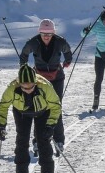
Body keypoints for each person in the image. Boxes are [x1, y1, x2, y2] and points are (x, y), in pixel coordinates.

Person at [0, 64, 61, 173]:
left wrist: (51, 125)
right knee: (22, 140)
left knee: (43, 140)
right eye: (24, 87)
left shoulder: (45, 86)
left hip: (43, 111)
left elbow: (56, 105)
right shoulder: (12, 88)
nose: (28, 90)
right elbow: (3, 105)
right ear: (19, 83)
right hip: (21, 113)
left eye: (31, 87)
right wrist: (1, 125)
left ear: (35, 82)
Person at [19, 19, 71, 157]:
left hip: (57, 78)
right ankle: (38, 140)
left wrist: (67, 61)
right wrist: (24, 67)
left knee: (56, 107)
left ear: (53, 33)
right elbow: (24, 54)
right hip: (39, 79)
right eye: (43, 33)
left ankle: (59, 140)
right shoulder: (33, 42)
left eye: (49, 34)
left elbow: (68, 52)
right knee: (39, 108)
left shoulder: (60, 41)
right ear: (39, 33)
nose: (46, 36)